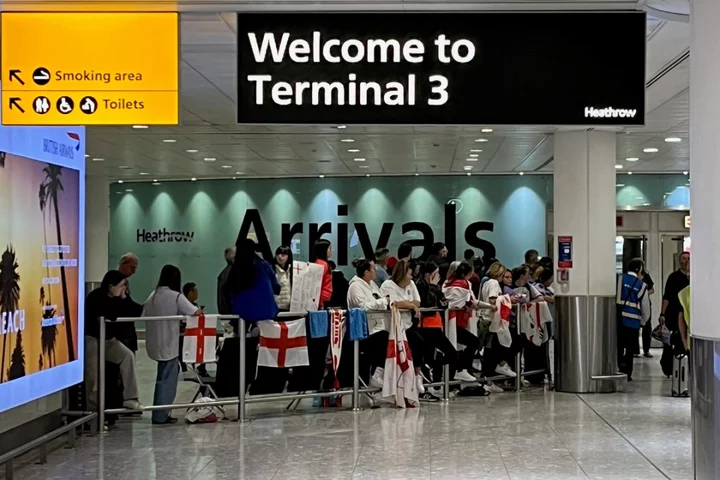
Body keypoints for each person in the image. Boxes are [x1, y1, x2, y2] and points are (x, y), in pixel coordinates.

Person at [143, 265, 202, 424]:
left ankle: (159, 412)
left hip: (155, 342)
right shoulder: (176, 296)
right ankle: (161, 414)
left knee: (162, 376)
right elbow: (194, 312)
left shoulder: (153, 295)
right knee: (167, 380)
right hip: (169, 343)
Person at [84, 270, 143, 412]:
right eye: (122, 286)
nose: (124, 289)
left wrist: (124, 297)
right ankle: (93, 409)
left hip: (108, 340)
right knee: (94, 375)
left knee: (127, 356)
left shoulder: (120, 297)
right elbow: (111, 314)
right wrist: (118, 298)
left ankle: (130, 398)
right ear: (111, 286)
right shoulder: (96, 297)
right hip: (92, 339)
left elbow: (136, 310)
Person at [379, 259, 428, 397]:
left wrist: (407, 304)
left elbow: (417, 301)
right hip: (393, 328)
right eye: (409, 274)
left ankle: (418, 375)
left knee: (419, 343)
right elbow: (393, 303)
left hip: (408, 325)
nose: (411, 278)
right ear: (402, 274)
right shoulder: (387, 285)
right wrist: (410, 305)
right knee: (415, 341)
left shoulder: (411, 284)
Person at [346, 258, 390, 386]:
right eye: (373, 268)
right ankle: (376, 374)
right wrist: (382, 302)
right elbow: (363, 306)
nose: (376, 270)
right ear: (366, 272)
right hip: (363, 330)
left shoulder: (373, 285)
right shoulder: (355, 286)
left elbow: (381, 299)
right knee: (383, 338)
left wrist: (386, 302)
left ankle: (378, 374)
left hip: (377, 326)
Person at [616, 258, 651, 381]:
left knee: (619, 346)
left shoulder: (619, 279)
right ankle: (628, 373)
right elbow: (645, 308)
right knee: (630, 349)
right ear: (639, 269)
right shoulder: (642, 286)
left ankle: (618, 368)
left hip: (619, 320)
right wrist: (643, 322)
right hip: (633, 322)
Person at [660, 252, 690, 376]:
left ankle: (684, 367)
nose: (686, 261)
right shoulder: (673, 277)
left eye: (688, 259)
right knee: (670, 343)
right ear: (679, 261)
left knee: (683, 343)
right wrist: (662, 313)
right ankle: (669, 368)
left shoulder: (695, 277)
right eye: (684, 259)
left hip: (687, 315)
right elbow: (666, 296)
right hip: (672, 315)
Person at [115, 253, 143, 352]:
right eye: (132, 267)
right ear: (123, 264)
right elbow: (124, 305)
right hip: (121, 332)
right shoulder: (116, 281)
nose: (134, 271)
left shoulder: (124, 281)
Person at [311, 239, 333, 308]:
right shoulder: (322, 264)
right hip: (322, 300)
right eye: (329, 248)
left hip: (324, 299)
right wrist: (320, 303)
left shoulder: (321, 263)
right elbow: (317, 285)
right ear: (323, 250)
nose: (331, 251)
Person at [639, 271, 655, 358]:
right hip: (635, 304)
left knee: (647, 327)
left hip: (645, 304)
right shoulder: (632, 277)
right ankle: (635, 350)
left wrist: (643, 293)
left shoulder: (646, 276)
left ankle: (646, 350)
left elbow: (652, 290)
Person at [272, 245, 293, 311]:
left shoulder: (293, 269)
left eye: (283, 254)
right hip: (276, 307)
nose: (280, 256)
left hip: (290, 308)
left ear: (288, 256)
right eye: (277, 254)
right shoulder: (271, 269)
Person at [217, 246, 236, 315]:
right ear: (234, 259)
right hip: (233, 314)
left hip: (225, 313)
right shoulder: (235, 274)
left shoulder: (222, 274)